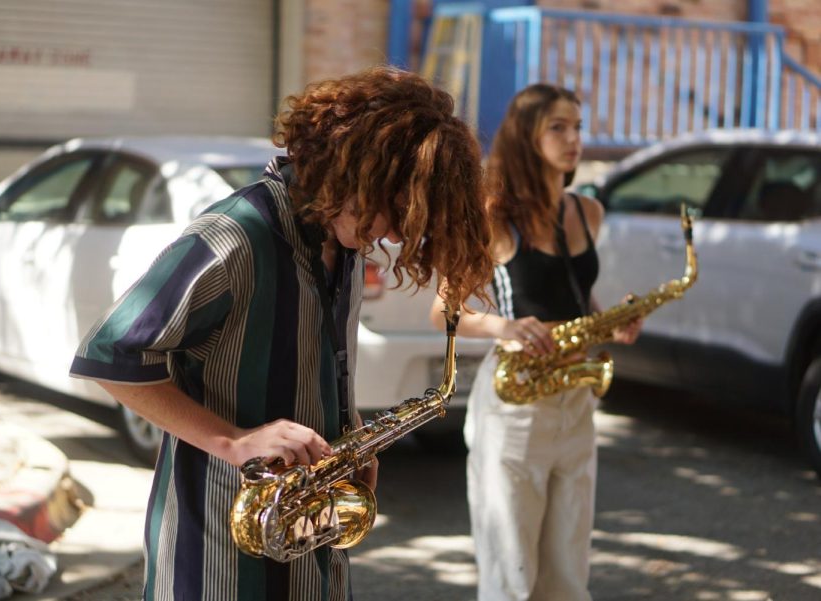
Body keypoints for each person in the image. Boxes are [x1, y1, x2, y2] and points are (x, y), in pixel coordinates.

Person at [69, 65, 492, 601]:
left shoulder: (345, 243)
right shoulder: (236, 235)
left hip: (309, 538)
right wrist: (237, 441)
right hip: (219, 554)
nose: (393, 232)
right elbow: (108, 355)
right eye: (394, 206)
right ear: (354, 169)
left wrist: (353, 433)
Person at [429, 83, 642, 601]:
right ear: (527, 136)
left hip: (576, 398)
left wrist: (611, 323)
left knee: (568, 571)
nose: (574, 139)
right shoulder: (494, 213)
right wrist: (505, 327)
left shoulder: (588, 213)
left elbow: (576, 297)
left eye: (578, 127)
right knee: (511, 570)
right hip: (515, 404)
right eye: (558, 127)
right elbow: (443, 310)